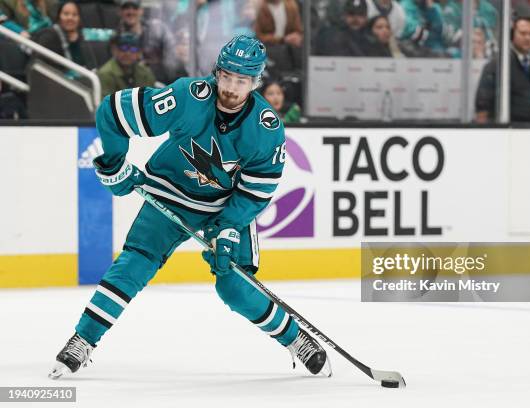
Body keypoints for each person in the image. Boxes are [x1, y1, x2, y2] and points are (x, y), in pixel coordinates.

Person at [49, 35, 331, 380]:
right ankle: (83, 339)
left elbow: (256, 193)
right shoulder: (188, 96)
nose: (230, 87)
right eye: (225, 76)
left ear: (255, 83)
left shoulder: (266, 128)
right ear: (216, 72)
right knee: (132, 265)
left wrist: (228, 228)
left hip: (225, 207)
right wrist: (113, 163)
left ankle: (295, 338)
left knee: (235, 288)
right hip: (169, 193)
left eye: (241, 81)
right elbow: (113, 111)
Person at [475, 16, 530, 123]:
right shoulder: (497, 65)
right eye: (523, 33)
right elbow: (482, 107)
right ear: (512, 35)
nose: (527, 38)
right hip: (507, 130)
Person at [117, 0, 182, 84]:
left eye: (135, 8)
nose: (130, 12)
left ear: (141, 11)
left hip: (163, 81)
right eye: (126, 8)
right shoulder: (116, 37)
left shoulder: (158, 28)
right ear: (119, 12)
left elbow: (171, 58)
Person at [35, 1, 97, 71]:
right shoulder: (48, 36)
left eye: (74, 15)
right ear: (59, 16)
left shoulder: (83, 37)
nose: (70, 18)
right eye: (66, 14)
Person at [97, 32, 155, 97]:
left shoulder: (145, 73)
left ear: (139, 53)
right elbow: (106, 104)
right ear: (115, 50)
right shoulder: (105, 74)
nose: (128, 53)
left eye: (133, 49)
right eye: (123, 48)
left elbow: (150, 98)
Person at [314, 0, 379, 57]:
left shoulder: (373, 40)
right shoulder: (331, 38)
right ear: (344, 15)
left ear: (366, 17)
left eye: (360, 14)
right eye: (351, 14)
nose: (355, 19)